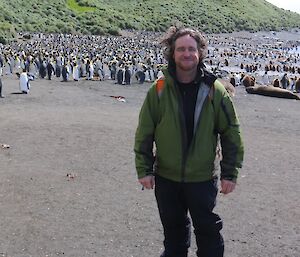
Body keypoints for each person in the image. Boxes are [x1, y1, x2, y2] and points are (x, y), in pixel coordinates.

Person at [134, 27, 244, 257]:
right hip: (166, 178)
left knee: (209, 234)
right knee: (174, 236)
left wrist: (229, 173)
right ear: (172, 53)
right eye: (181, 49)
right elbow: (145, 132)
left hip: (202, 179)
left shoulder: (215, 91)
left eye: (191, 49)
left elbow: (231, 133)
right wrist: (144, 169)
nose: (186, 53)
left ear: (200, 52)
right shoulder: (159, 90)